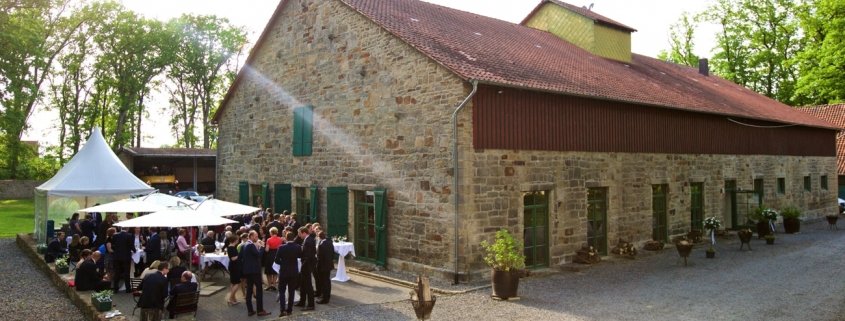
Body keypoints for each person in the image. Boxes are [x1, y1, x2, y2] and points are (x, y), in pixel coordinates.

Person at [241, 230, 270, 317]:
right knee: (259, 290)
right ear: (251, 236)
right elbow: (258, 255)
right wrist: (261, 247)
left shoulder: (245, 244)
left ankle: (250, 310)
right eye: (256, 236)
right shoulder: (250, 245)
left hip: (248, 271)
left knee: (249, 290)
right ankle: (260, 310)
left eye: (257, 236)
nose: (257, 238)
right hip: (254, 271)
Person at [274, 231, 302, 317]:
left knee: (282, 291)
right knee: (291, 291)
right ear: (293, 238)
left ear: (286, 238)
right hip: (293, 272)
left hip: (284, 271)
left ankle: (282, 310)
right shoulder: (297, 247)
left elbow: (276, 260)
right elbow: (300, 257)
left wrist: (283, 262)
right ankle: (289, 310)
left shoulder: (281, 247)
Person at [295, 226, 316, 310]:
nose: (299, 236)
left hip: (306, 266)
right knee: (303, 285)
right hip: (305, 266)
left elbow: (308, 256)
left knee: (308, 286)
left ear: (304, 233)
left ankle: (311, 305)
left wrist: (302, 266)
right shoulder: (307, 240)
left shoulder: (309, 241)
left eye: (300, 234)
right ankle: (302, 301)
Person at [112, 227, 134, 293]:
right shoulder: (129, 235)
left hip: (117, 257)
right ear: (127, 229)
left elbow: (113, 245)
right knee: (126, 273)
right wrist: (135, 250)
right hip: (126, 257)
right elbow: (131, 246)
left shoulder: (115, 235)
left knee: (117, 273)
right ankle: (128, 289)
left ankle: (115, 289)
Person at [315, 231, 334, 304]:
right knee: (327, 281)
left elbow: (319, 257)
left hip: (322, 266)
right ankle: (327, 296)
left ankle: (324, 298)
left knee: (323, 282)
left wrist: (317, 266)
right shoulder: (329, 242)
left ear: (319, 237)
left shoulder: (321, 245)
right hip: (329, 265)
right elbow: (332, 254)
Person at [264, 227, 282, 291]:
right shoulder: (280, 239)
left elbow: (267, 250)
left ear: (271, 232)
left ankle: (269, 285)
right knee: (275, 270)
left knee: (268, 271)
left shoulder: (269, 239)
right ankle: (274, 285)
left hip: (270, 255)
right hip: (277, 255)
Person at [225, 234, 242, 306]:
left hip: (233, 266)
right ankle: (230, 298)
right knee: (237, 283)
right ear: (235, 240)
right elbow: (233, 258)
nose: (238, 240)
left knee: (233, 283)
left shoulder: (231, 247)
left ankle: (234, 299)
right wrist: (240, 255)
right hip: (234, 267)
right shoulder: (231, 248)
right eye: (237, 239)